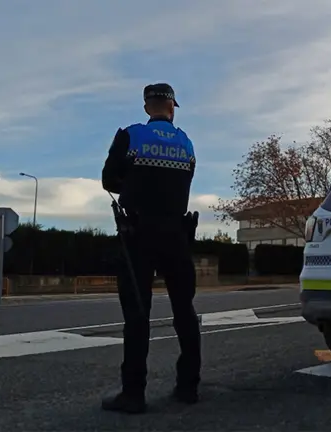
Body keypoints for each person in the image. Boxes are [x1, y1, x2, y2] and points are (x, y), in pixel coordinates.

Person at [100, 83, 201, 414]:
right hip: (176, 232)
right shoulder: (186, 143)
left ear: (147, 108)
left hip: (139, 233)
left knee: (137, 315)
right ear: (172, 108)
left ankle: (134, 393)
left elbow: (108, 180)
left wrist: (134, 186)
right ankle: (188, 387)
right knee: (184, 311)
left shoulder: (130, 136)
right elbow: (186, 181)